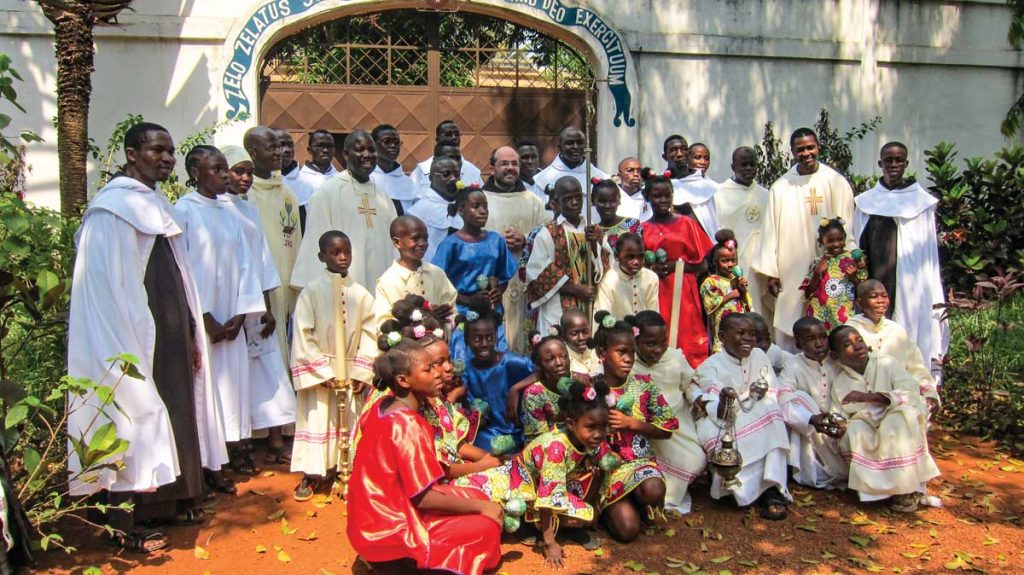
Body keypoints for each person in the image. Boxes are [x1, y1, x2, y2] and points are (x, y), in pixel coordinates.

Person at [67, 123, 226, 552]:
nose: (166, 158)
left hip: (168, 329)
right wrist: (125, 342)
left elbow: (179, 275)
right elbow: (106, 286)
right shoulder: (112, 210)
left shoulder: (158, 204)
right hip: (128, 334)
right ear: (131, 153)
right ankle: (124, 521)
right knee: (130, 414)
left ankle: (167, 502)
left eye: (171, 151)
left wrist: (190, 328)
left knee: (174, 407)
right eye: (157, 149)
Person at [347, 338, 503, 575]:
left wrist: (477, 502)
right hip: (389, 528)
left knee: (474, 494)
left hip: (370, 518)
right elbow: (424, 499)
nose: (438, 373)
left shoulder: (384, 407)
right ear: (403, 380)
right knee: (486, 525)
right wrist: (481, 508)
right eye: (428, 369)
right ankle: (409, 563)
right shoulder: (408, 425)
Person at [177, 145, 266, 476]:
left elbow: (246, 266)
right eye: (216, 169)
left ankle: (234, 451)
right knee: (207, 391)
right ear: (195, 172)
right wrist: (205, 319)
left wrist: (242, 315)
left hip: (232, 320)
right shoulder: (183, 211)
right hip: (204, 322)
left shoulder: (231, 215)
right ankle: (206, 466)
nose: (224, 175)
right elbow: (181, 269)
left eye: (225, 168)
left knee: (235, 390)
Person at [219, 145, 296, 468]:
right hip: (224, 305)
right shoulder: (216, 208)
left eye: (248, 172)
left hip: (255, 304)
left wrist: (266, 305)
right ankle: (241, 446)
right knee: (234, 377)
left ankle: (277, 437)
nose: (245, 178)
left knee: (269, 369)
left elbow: (262, 260)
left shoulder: (248, 209)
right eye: (238, 171)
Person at [289, 231, 377, 501]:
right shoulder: (311, 292)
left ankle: (348, 471)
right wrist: (322, 372)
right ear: (321, 256)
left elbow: (370, 333)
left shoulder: (360, 294)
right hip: (322, 370)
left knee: (350, 421)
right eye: (335, 252)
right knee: (318, 419)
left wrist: (363, 371)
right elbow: (303, 333)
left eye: (346, 252)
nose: (342, 257)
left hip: (351, 370)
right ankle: (313, 473)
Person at [854, 142, 947, 385]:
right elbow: (857, 239)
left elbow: (926, 251)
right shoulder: (866, 202)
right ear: (880, 164)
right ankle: (874, 378)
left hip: (909, 279)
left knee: (906, 322)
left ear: (906, 164)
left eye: (899, 160)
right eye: (888, 160)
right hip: (876, 273)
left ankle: (909, 379)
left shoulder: (920, 202)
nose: (893, 165)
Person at [755, 127, 855, 350]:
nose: (806, 153)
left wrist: (849, 262)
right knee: (790, 314)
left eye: (811, 147)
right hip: (791, 267)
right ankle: (790, 369)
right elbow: (770, 230)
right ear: (792, 152)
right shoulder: (780, 187)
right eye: (800, 149)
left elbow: (848, 227)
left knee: (830, 316)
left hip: (830, 266)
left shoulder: (835, 182)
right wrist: (771, 273)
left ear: (818, 146)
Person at [690, 313, 793, 519]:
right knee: (751, 421)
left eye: (752, 334)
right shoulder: (711, 366)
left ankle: (771, 488)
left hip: (753, 410)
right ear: (722, 337)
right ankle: (736, 490)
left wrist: (757, 395)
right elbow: (714, 407)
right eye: (741, 333)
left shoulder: (759, 356)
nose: (748, 339)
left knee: (771, 410)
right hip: (719, 418)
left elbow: (772, 390)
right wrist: (728, 400)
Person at [827, 326, 941, 512]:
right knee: (853, 430)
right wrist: (838, 425)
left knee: (899, 418)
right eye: (847, 344)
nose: (857, 347)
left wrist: (871, 397)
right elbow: (838, 413)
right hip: (868, 426)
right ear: (835, 356)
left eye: (859, 340)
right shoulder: (841, 382)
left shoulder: (887, 363)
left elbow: (910, 393)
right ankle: (876, 492)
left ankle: (906, 490)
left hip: (896, 417)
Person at [593, 313, 678, 542]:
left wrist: (632, 423)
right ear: (602, 354)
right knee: (628, 531)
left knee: (654, 489)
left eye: (631, 352)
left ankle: (638, 501)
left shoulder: (644, 385)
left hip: (639, 464)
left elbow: (667, 429)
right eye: (621, 352)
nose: (628, 358)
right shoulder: (591, 391)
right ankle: (613, 508)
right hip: (607, 471)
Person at [518, 380, 611, 568]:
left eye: (603, 427)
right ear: (570, 423)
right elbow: (547, 494)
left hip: (544, 486)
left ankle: (556, 526)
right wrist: (549, 543)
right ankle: (532, 528)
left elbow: (608, 460)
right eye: (591, 427)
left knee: (588, 511)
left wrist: (591, 462)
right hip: (521, 486)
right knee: (578, 518)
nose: (599, 434)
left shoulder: (590, 439)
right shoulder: (556, 447)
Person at [292, 130, 398, 290]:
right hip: (342, 289)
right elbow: (315, 243)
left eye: (371, 150)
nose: (367, 154)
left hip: (382, 287)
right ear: (346, 154)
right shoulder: (327, 193)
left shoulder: (383, 197)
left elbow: (395, 247)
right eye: (360, 150)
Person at [630, 311, 703, 515]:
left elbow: (689, 382)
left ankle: (672, 496)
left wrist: (698, 397)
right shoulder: (628, 361)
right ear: (636, 340)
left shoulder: (675, 357)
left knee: (695, 459)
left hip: (676, 424)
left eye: (662, 343)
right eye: (650, 343)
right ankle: (649, 496)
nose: (658, 349)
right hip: (641, 428)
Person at [432, 186, 518, 358]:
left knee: (497, 352)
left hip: (491, 311)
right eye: (476, 206)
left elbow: (504, 273)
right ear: (461, 210)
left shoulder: (496, 240)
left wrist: (497, 292)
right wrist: (468, 299)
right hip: (464, 311)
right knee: (464, 354)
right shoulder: (451, 244)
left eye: (485, 206)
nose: (483, 211)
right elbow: (439, 281)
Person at [641, 169, 713, 367]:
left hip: (683, 290)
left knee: (687, 335)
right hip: (656, 290)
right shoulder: (643, 229)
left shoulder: (687, 224)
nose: (663, 200)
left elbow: (703, 264)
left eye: (667, 195)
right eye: (657, 196)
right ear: (647, 198)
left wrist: (676, 266)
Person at [243, 126, 302, 368]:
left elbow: (295, 239)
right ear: (253, 153)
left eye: (279, 146)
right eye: (271, 148)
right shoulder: (246, 191)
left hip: (286, 281)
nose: (279, 152)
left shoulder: (287, 191)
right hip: (261, 285)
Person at [482, 146, 549, 352]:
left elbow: (548, 240)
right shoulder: (479, 200)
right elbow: (469, 239)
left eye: (514, 164)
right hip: (492, 283)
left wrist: (527, 240)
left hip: (524, 281)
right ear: (492, 168)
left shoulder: (533, 201)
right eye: (504, 164)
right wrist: (497, 242)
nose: (510, 168)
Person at [525, 176, 611, 335]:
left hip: (590, 303)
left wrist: (594, 245)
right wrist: (574, 289)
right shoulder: (548, 233)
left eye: (578, 197)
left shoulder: (594, 230)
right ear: (555, 204)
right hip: (557, 307)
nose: (575, 202)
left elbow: (608, 266)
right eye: (568, 199)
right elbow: (535, 274)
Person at [847, 280, 940, 413]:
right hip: (862, 404)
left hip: (898, 401)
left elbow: (916, 367)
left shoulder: (896, 330)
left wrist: (930, 394)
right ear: (859, 303)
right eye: (874, 296)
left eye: (884, 296)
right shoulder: (849, 331)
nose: (881, 301)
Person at [779, 317, 847, 490]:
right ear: (799, 344)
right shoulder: (793, 364)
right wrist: (810, 418)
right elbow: (781, 399)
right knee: (798, 397)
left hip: (842, 421)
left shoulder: (838, 360)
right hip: (810, 429)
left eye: (823, 337)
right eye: (811, 339)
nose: (819, 344)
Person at [458, 300, 534, 453]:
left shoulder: (511, 362)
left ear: (496, 337)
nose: (484, 344)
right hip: (483, 433)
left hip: (513, 433)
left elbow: (542, 371)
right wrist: (475, 416)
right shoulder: (466, 369)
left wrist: (516, 388)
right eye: (477, 339)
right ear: (467, 340)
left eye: (490, 337)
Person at [715, 146, 771, 316]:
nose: (748, 169)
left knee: (762, 311)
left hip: (761, 263)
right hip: (733, 261)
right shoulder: (719, 194)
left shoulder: (766, 194)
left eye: (752, 165)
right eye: (743, 165)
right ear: (733, 167)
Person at [374, 215, 457, 325]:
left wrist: (443, 321)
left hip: (439, 340)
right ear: (397, 242)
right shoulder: (387, 282)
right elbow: (384, 323)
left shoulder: (437, 274)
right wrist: (423, 320)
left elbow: (452, 310)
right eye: (415, 239)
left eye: (425, 238)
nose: (422, 243)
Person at [801, 216, 867, 331]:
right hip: (820, 317)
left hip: (845, 317)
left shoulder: (854, 259)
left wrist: (853, 278)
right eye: (830, 241)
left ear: (845, 238)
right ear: (821, 241)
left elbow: (864, 290)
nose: (836, 244)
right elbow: (807, 294)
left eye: (839, 239)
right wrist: (817, 273)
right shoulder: (817, 262)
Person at [700, 236, 752, 352]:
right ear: (715, 262)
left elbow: (748, 307)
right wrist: (731, 295)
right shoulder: (711, 281)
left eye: (733, 260)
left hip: (740, 329)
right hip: (721, 328)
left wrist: (742, 291)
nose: (729, 264)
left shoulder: (737, 280)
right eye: (724, 261)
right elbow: (709, 306)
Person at [517, 334, 573, 441]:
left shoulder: (579, 382)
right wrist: (560, 419)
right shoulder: (534, 394)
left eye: (563, 356)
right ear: (539, 365)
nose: (559, 363)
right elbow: (540, 439)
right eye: (550, 359)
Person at [408, 155, 462, 261]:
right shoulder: (417, 212)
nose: (453, 179)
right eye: (446, 174)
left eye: (456, 174)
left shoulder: (465, 206)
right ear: (431, 178)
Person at [663, 135, 719, 237]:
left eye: (683, 149)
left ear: (688, 153)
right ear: (664, 156)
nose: (679, 154)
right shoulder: (659, 186)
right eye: (673, 150)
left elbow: (714, 223)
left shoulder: (708, 187)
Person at [533, 126, 609, 200]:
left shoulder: (602, 179)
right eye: (570, 143)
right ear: (559, 147)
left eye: (579, 143)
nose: (575, 147)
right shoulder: (541, 180)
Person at [595, 232, 659, 319]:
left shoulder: (651, 278)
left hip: (645, 331)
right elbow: (602, 317)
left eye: (640, 257)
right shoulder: (608, 281)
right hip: (617, 331)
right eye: (630, 257)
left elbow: (653, 314)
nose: (636, 262)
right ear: (617, 256)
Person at [410, 120, 483, 192]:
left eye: (457, 134)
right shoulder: (423, 169)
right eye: (448, 134)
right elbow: (411, 200)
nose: (454, 137)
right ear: (437, 139)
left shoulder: (473, 171)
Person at [370, 124, 419, 214]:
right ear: (373, 145)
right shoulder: (366, 179)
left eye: (396, 142)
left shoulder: (408, 183)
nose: (393, 146)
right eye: (387, 141)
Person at [592, 178, 643, 253]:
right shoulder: (593, 232)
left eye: (612, 201)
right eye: (602, 201)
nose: (607, 206)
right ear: (593, 201)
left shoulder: (633, 225)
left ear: (619, 201)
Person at [561, 309, 602, 380]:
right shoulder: (562, 360)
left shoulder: (599, 352)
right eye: (574, 333)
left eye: (585, 332)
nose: (581, 338)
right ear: (564, 335)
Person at [749, 311, 792, 375]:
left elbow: (795, 362)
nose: (765, 345)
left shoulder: (772, 351)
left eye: (767, 338)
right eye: (758, 340)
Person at [615, 157, 650, 222]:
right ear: (619, 175)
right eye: (630, 170)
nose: (636, 174)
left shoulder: (649, 195)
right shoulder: (612, 196)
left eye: (639, 171)